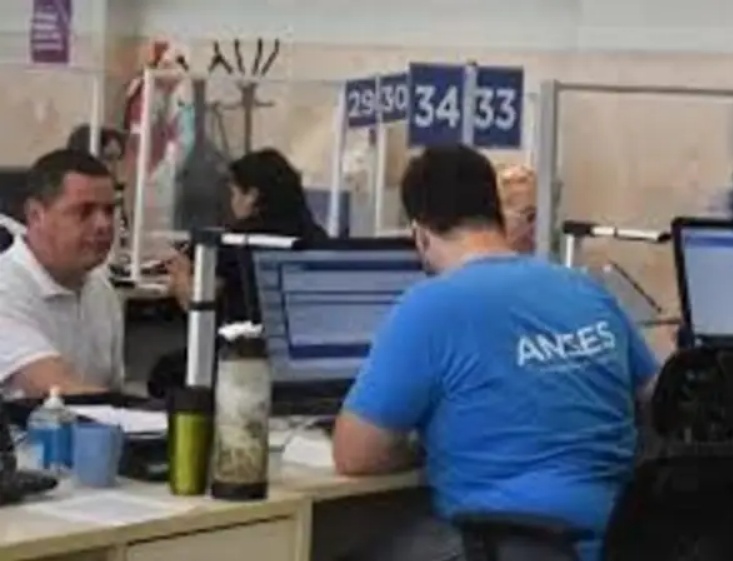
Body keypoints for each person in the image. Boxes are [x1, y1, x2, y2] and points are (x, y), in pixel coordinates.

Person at [333, 145, 658, 561]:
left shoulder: (430, 306)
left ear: (420, 233)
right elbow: (658, 395)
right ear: (496, 213)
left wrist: (420, 446)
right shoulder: (586, 290)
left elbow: (355, 455)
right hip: (623, 540)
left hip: (508, 547)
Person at [0, 149, 122, 398]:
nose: (103, 225)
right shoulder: (6, 288)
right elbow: (56, 389)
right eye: (84, 211)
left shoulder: (100, 287)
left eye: (109, 211)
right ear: (35, 215)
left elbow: (111, 392)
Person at [166, 148, 328, 324]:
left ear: (252, 196)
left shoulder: (239, 241)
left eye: (234, 193)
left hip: (247, 338)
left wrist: (181, 273)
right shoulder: (316, 236)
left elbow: (197, 303)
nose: (232, 202)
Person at [496, 163, 537, 254]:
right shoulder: (493, 222)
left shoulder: (543, 221)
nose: (514, 188)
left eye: (521, 181)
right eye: (506, 182)